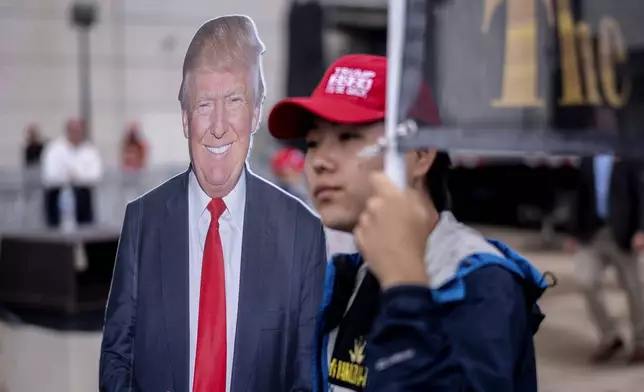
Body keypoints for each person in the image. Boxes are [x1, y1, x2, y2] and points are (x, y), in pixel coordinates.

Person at [268, 54, 550, 391]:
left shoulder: (480, 282)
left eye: (348, 138)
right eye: (313, 143)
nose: (320, 162)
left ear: (420, 155)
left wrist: (406, 291)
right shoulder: (346, 280)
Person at [99, 15, 327, 392]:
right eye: (204, 104)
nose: (218, 125)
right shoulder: (143, 221)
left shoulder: (301, 232)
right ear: (186, 118)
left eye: (234, 100)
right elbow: (117, 357)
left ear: (255, 113)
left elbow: (306, 379)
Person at [565, 155, 644, 363]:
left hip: (623, 233)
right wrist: (574, 233)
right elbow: (579, 196)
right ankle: (611, 336)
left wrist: (641, 230)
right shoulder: (588, 158)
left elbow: (641, 192)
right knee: (585, 280)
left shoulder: (629, 155)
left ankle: (641, 342)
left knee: (633, 288)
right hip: (593, 233)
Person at [41, 118, 103, 227]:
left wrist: (76, 176)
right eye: (74, 130)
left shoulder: (90, 150)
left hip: (83, 197)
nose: (76, 133)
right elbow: (49, 174)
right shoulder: (54, 148)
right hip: (57, 196)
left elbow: (96, 175)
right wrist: (67, 177)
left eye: (79, 130)